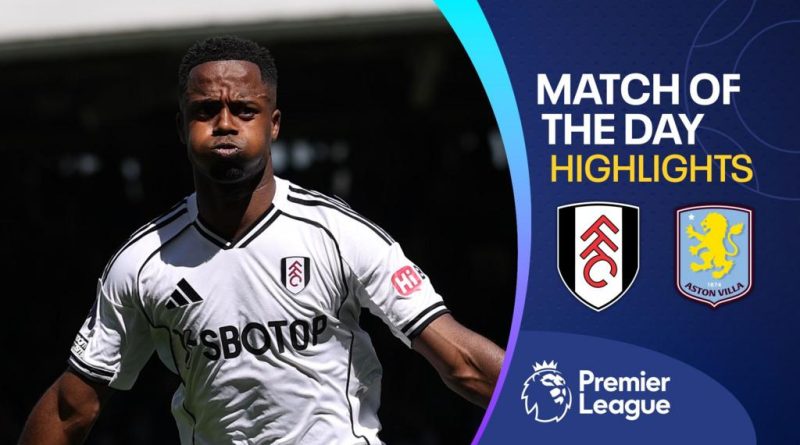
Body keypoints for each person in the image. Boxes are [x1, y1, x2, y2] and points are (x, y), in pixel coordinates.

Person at [19, 36, 505, 445]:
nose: (225, 122)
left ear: (273, 124)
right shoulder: (142, 264)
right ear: (181, 127)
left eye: (244, 109)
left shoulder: (337, 234)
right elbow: (70, 410)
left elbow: (460, 361)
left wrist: (571, 412)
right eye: (206, 109)